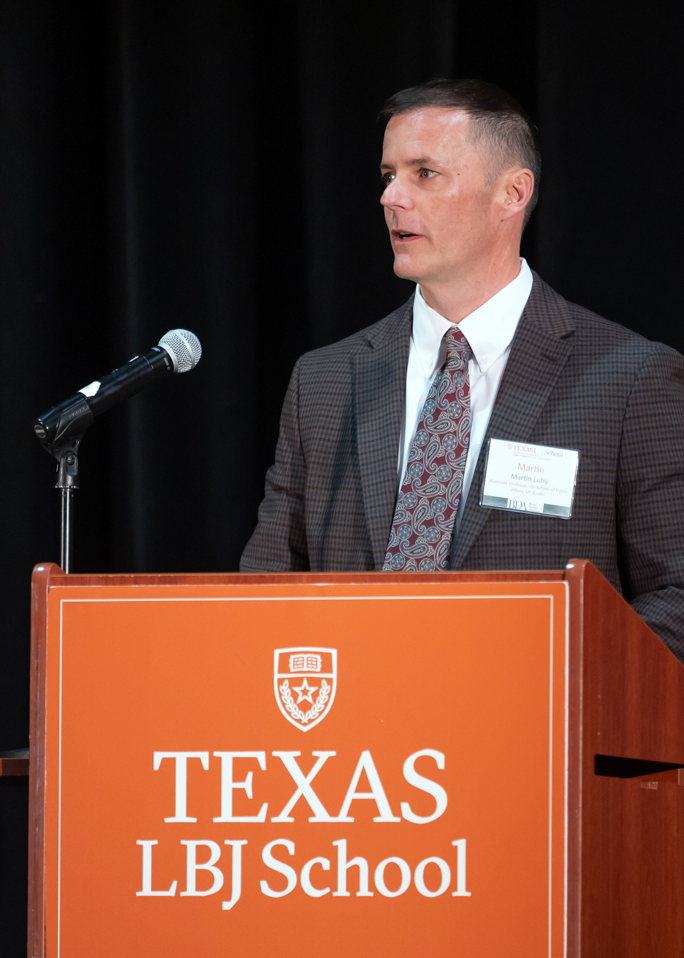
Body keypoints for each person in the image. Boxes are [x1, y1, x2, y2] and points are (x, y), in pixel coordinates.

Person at [240, 78, 684, 661]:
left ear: (512, 193)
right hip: (357, 741)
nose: (392, 198)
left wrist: (539, 685)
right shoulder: (324, 382)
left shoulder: (630, 379)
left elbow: (674, 598)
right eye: (388, 175)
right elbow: (265, 591)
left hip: (534, 736)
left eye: (424, 174)